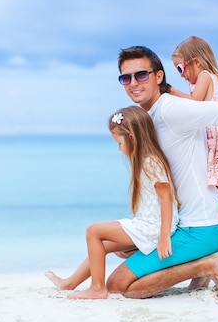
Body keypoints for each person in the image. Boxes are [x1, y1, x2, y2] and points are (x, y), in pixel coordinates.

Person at [106, 46, 218, 302]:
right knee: (123, 249)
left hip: (201, 228)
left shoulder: (171, 110)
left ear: (159, 77)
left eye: (141, 75)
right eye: (126, 78)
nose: (133, 83)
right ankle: (201, 264)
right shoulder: (150, 116)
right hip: (186, 225)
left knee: (118, 285)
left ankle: (207, 265)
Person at [45, 106, 180, 299]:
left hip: (154, 228)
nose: (118, 148)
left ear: (132, 137)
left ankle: (98, 288)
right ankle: (70, 283)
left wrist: (164, 236)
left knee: (93, 230)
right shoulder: (145, 160)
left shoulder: (151, 162)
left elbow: (166, 198)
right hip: (149, 225)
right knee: (104, 244)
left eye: (119, 142)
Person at [169, 36, 218, 261]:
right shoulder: (216, 78)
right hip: (216, 138)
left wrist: (172, 92)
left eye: (180, 68)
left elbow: (194, 103)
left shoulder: (205, 76)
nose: (182, 74)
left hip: (214, 138)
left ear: (196, 61)